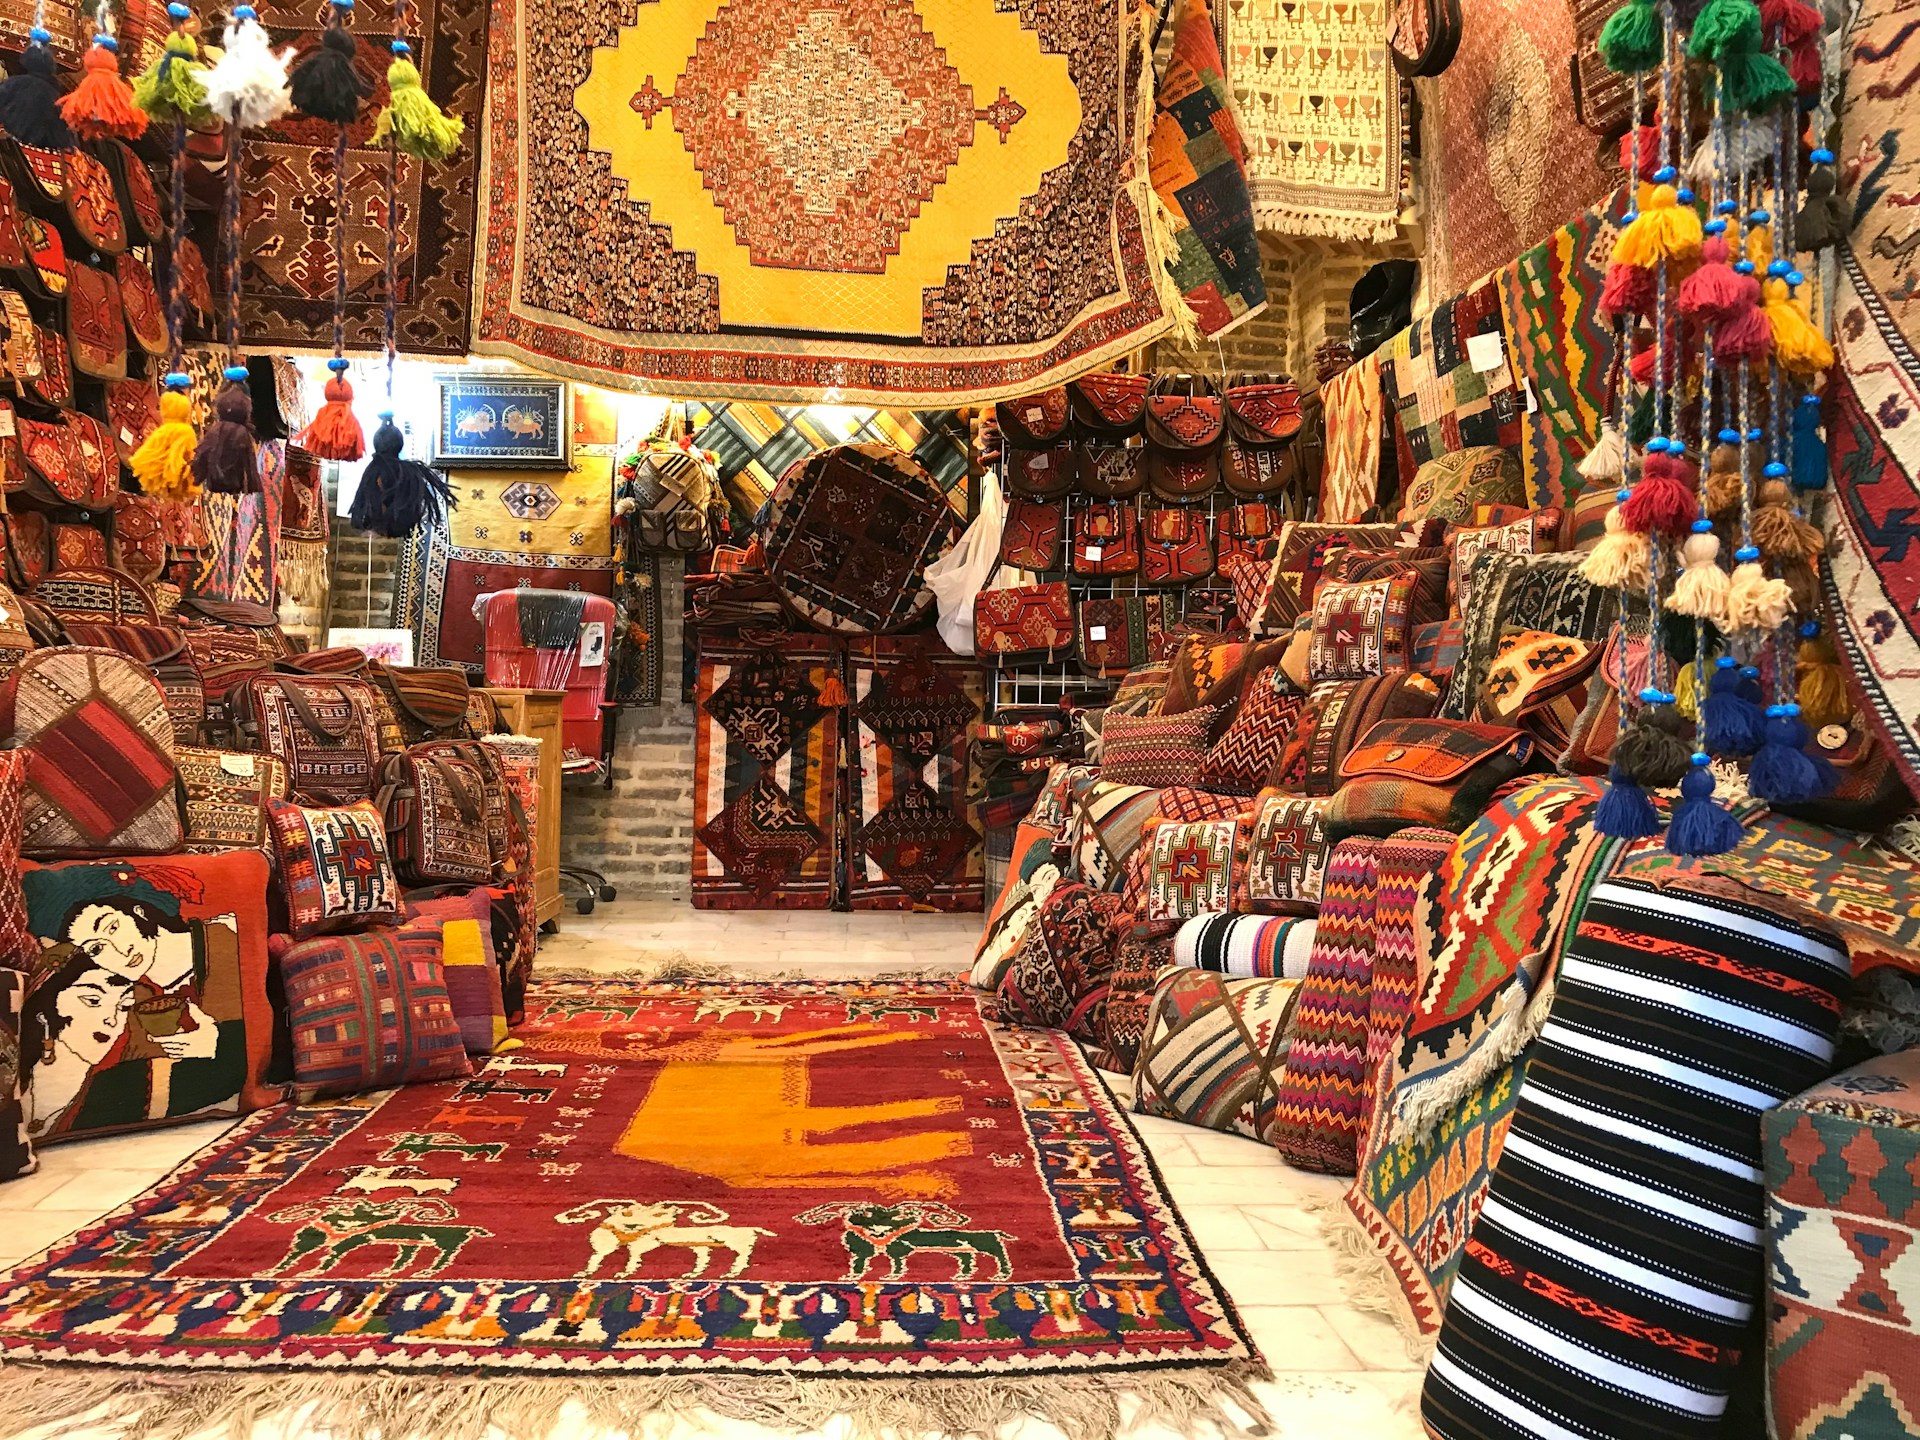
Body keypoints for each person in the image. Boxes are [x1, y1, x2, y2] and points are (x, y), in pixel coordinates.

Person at [20, 945, 136, 1140]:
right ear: (48, 1003)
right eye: (93, 1000)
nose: (112, 1019)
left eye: (124, 1006)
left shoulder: (128, 1083)